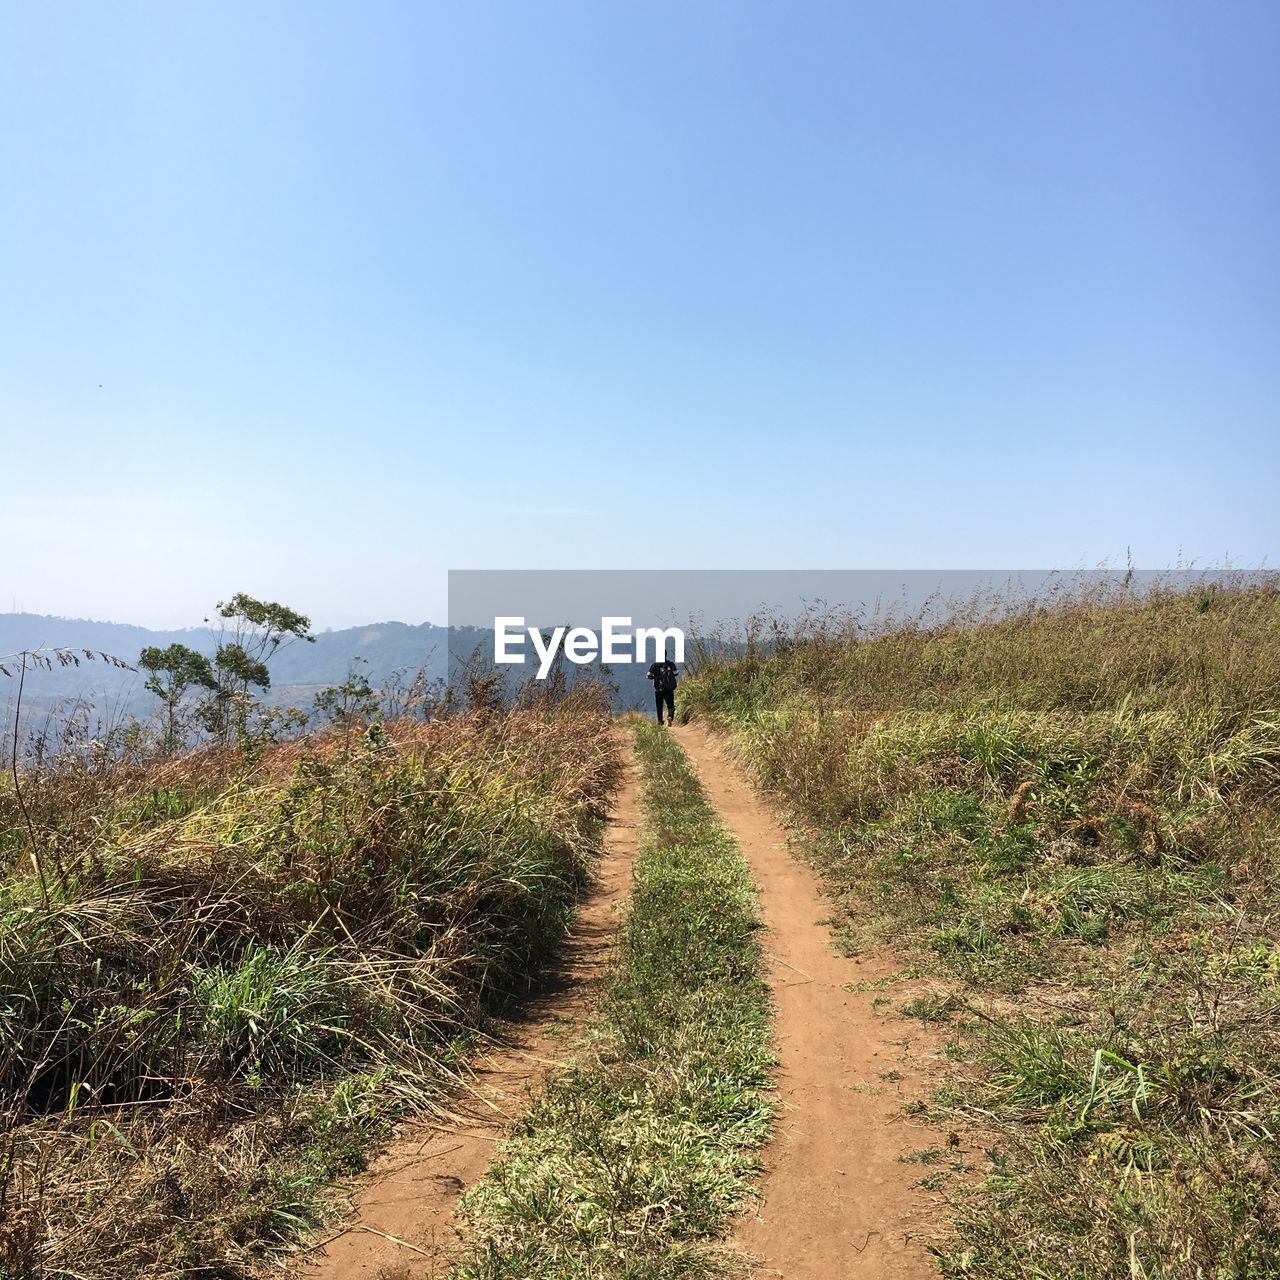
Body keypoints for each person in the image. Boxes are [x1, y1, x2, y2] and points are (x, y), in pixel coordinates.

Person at [646, 649, 679, 725]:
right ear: (666, 655)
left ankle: (660, 721)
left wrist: (654, 676)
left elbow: (648, 675)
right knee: (670, 705)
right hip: (669, 689)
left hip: (658, 689)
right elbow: (676, 673)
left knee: (659, 706)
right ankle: (670, 716)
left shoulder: (655, 665)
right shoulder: (670, 664)